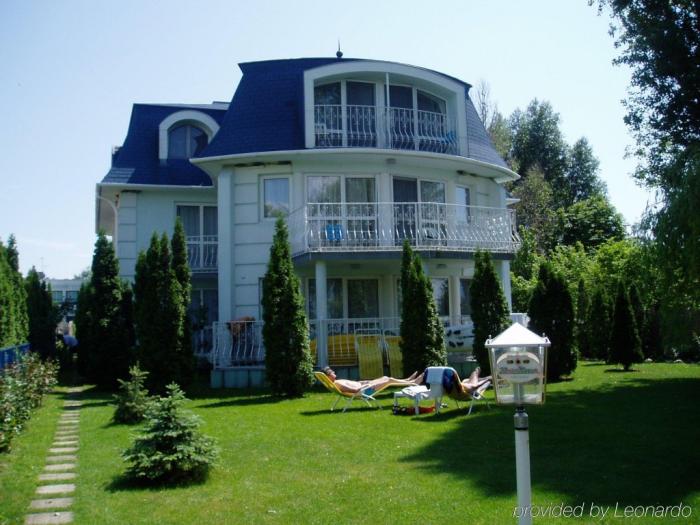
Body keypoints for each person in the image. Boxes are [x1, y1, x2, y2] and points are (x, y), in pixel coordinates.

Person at [322, 367, 419, 394]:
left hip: (365, 386)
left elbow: (356, 384)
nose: (333, 371)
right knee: (389, 380)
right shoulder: (337, 384)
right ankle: (411, 382)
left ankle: (408, 380)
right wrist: (366, 385)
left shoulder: (336, 382)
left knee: (385, 377)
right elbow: (355, 390)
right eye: (331, 372)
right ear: (328, 377)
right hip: (364, 391)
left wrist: (367, 382)